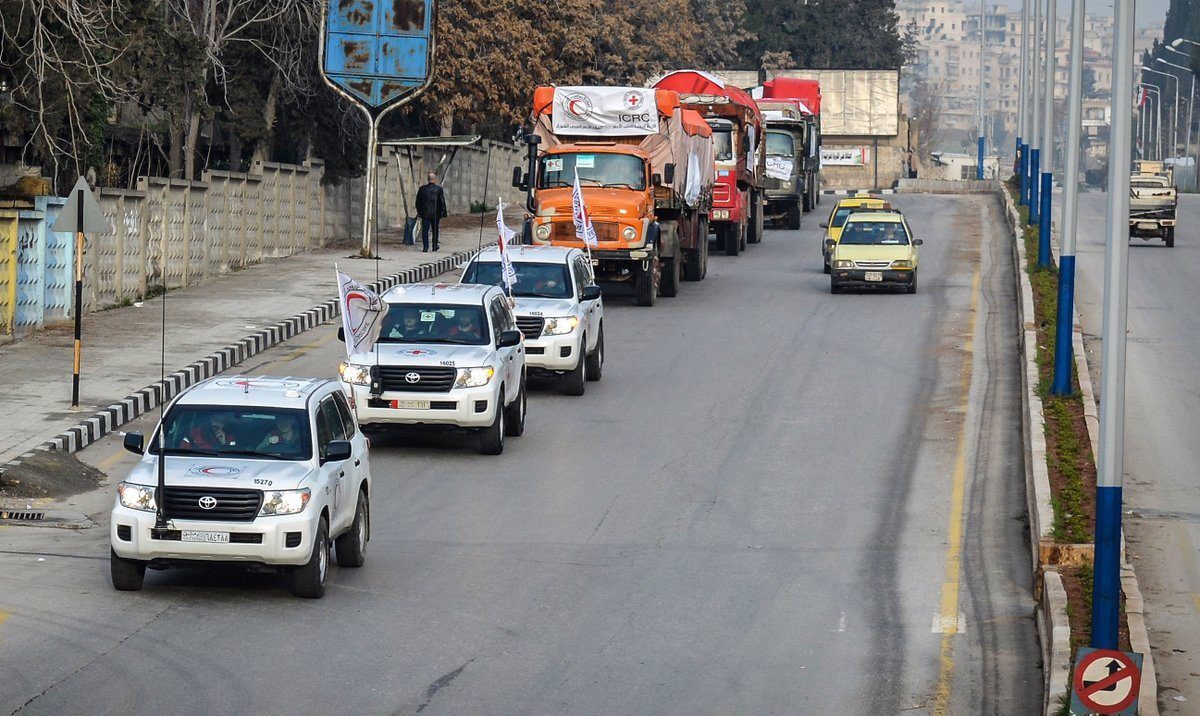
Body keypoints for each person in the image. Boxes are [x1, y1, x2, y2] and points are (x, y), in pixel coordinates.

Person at [415, 172, 448, 252]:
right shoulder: (438, 189)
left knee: (425, 230)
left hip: (425, 213)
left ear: (428, 179)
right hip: (435, 213)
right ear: (435, 179)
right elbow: (442, 201)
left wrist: (419, 211)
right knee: (435, 230)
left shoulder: (422, 189)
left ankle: (425, 247)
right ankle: (434, 246)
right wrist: (444, 212)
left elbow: (418, 202)